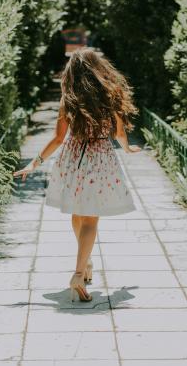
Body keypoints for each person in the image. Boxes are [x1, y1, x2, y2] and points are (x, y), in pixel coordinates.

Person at [13, 47, 141, 302]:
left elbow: (59, 138)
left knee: (77, 213)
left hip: (73, 159)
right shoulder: (110, 96)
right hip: (99, 160)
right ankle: (79, 272)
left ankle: (86, 261)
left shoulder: (68, 99)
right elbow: (119, 134)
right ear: (97, 70)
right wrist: (127, 148)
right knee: (91, 220)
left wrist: (35, 163)